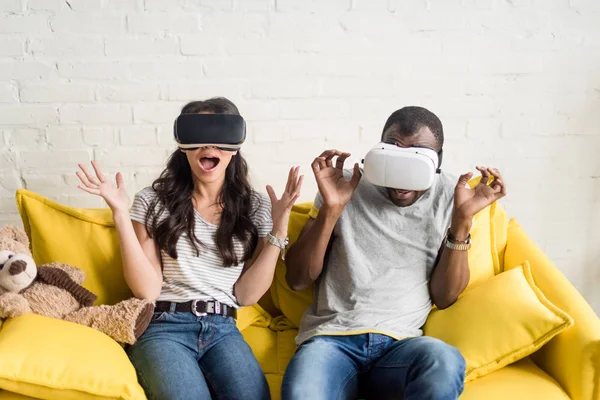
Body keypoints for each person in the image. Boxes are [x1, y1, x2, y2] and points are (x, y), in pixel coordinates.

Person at [76, 97, 303, 400]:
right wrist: (120, 213)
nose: (209, 146)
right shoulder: (152, 200)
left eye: (220, 137)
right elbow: (148, 290)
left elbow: (246, 295)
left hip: (223, 327)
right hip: (163, 327)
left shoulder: (258, 205)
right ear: (183, 145)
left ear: (235, 146)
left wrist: (279, 227)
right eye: (198, 135)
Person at [281, 106, 507, 400]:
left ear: (437, 159)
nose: (402, 178)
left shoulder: (454, 193)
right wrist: (332, 209)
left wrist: (461, 222)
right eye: (395, 150)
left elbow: (445, 296)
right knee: (302, 393)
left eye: (418, 156)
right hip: (332, 340)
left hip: (401, 346)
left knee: (446, 360)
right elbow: (298, 279)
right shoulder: (344, 183)